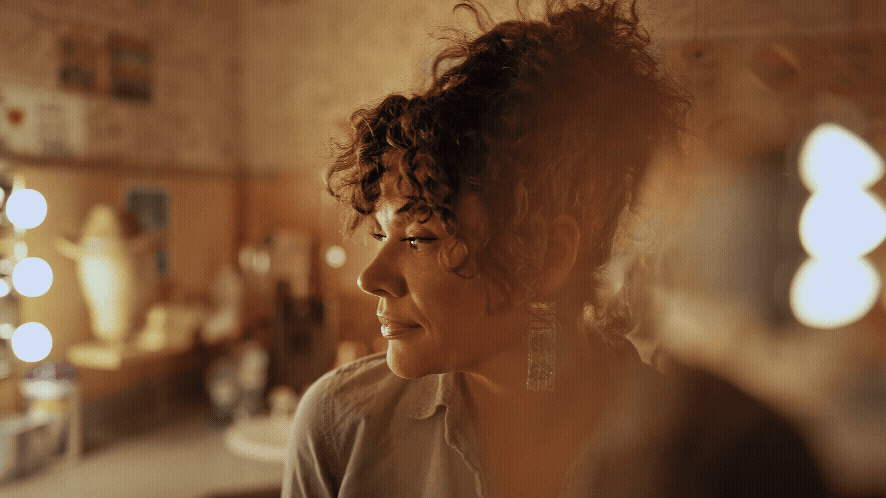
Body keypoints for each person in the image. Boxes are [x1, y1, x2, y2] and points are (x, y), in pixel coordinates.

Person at [281, 1, 831, 497]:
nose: (371, 277)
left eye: (419, 237)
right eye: (382, 235)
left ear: (545, 256)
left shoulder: (718, 455)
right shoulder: (340, 426)